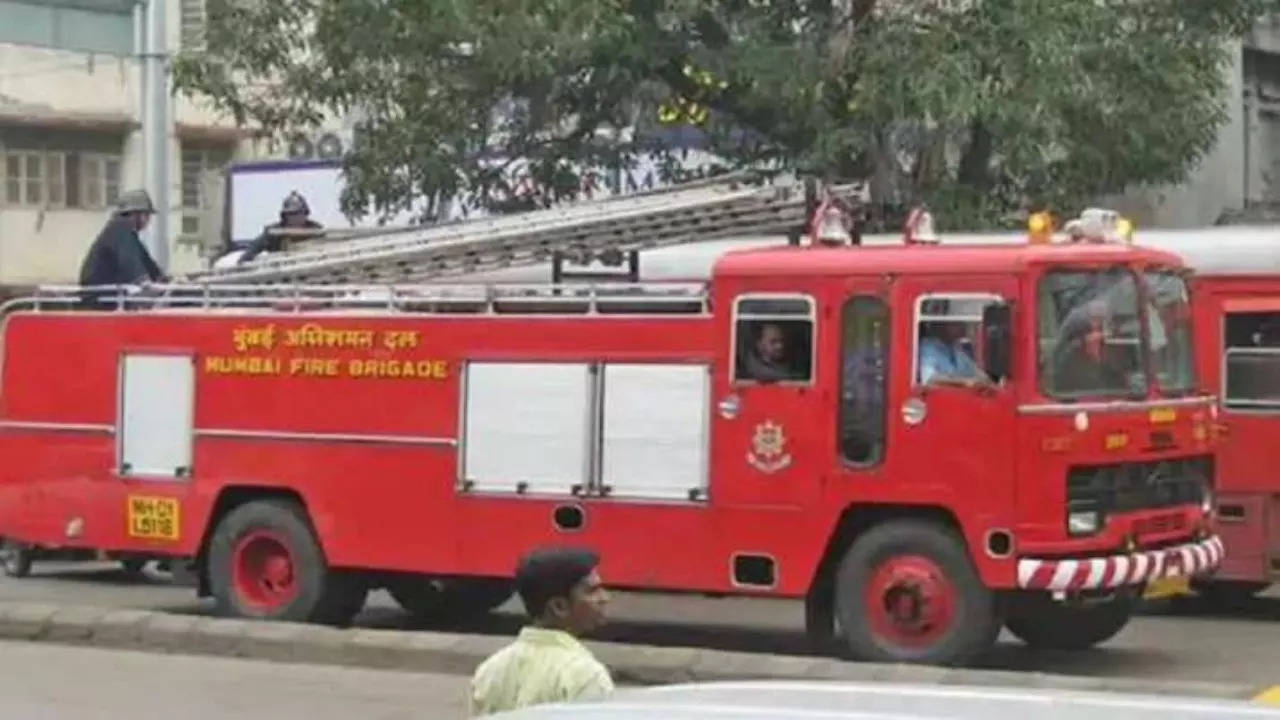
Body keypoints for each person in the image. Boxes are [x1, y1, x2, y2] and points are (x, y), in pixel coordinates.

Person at [470, 547, 613, 717]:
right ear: (559, 607)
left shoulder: (489, 670)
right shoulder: (585, 676)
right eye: (592, 591)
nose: (605, 598)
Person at [78, 189, 166, 306]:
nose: (148, 220)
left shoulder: (128, 234)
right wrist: (146, 282)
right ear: (135, 214)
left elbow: (149, 266)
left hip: (109, 297)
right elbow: (131, 264)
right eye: (146, 214)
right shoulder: (119, 231)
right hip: (101, 301)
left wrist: (168, 281)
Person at [214, 191, 324, 268]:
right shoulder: (274, 232)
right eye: (291, 214)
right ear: (285, 217)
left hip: (310, 274)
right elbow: (255, 248)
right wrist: (243, 261)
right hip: (281, 275)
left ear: (305, 214)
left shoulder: (316, 231)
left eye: (299, 214)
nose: (296, 218)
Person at [917, 321, 985, 386]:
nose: (962, 327)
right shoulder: (928, 347)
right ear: (942, 326)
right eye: (955, 324)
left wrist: (987, 380)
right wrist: (963, 382)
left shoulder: (955, 347)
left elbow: (973, 370)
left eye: (962, 323)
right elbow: (929, 378)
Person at [739, 322, 803, 381]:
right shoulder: (757, 372)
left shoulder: (789, 364)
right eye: (773, 342)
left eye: (782, 340)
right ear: (760, 345)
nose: (780, 346)